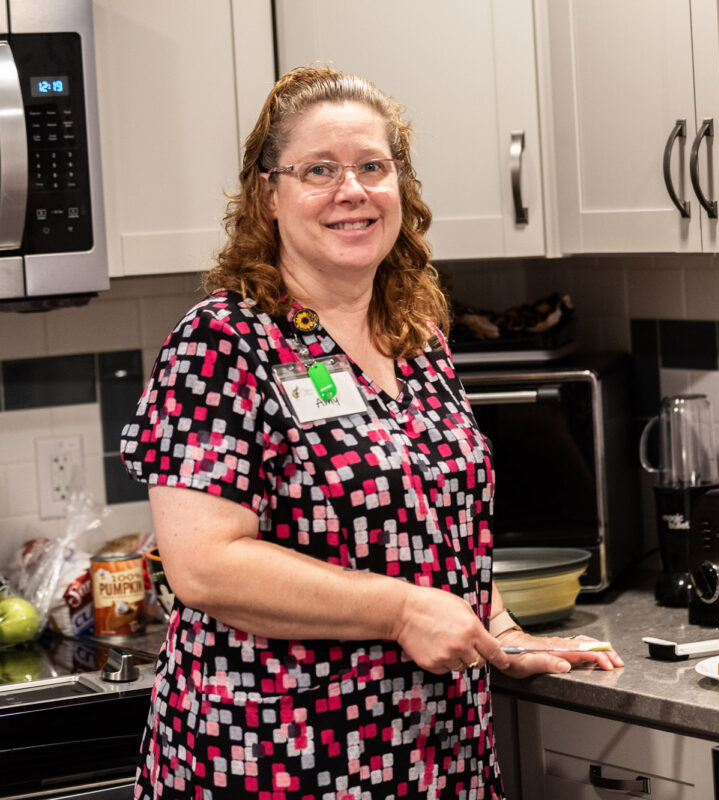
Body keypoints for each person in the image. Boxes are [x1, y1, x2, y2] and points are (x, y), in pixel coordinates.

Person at [120, 65, 622, 800]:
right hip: (277, 756)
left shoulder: (415, 336)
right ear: (269, 193)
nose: (350, 191)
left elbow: (437, 527)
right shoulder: (223, 341)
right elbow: (203, 566)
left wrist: (501, 633)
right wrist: (402, 611)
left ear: (400, 186)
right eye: (318, 170)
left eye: (371, 167)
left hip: (436, 750)